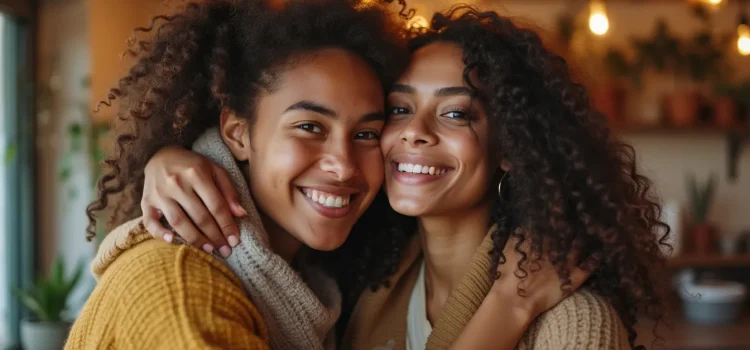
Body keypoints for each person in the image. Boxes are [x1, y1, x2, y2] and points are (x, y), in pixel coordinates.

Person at [107, 4, 670, 350]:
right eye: (398, 111)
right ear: (235, 133)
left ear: (512, 148)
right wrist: (170, 157)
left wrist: (519, 307)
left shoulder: (571, 317)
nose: (413, 134)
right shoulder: (360, 282)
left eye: (455, 113)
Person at [65, 0, 409, 349]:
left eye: (366, 134)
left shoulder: (318, 282)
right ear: (236, 132)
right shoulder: (180, 287)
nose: (345, 165)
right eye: (309, 127)